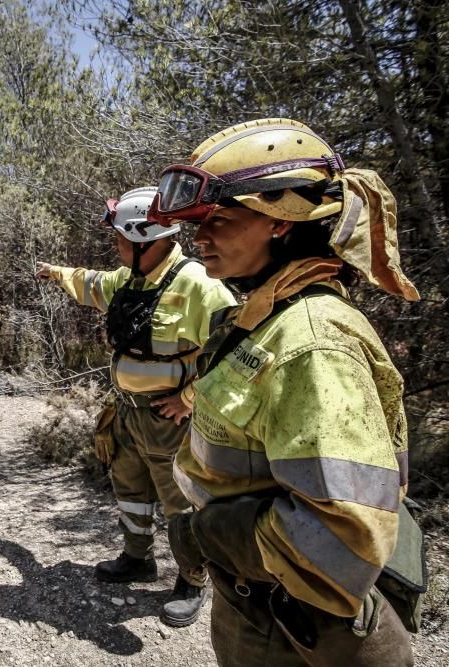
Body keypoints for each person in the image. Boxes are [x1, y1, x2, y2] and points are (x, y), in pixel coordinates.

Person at [149, 118, 424, 665]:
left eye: (220, 219)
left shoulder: (312, 341)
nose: (198, 238)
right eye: (197, 222)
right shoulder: (263, 316)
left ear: (280, 221)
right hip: (263, 596)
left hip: (299, 621)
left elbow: (343, 540)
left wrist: (208, 536)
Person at [35, 186, 236, 627]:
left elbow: (233, 357)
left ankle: (191, 578)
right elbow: (90, 283)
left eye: (120, 239)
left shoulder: (201, 285)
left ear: (147, 240)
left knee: (179, 501)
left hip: (169, 421)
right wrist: (55, 272)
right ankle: (136, 558)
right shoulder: (128, 280)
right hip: (126, 414)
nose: (115, 247)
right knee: (129, 488)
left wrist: (188, 400)